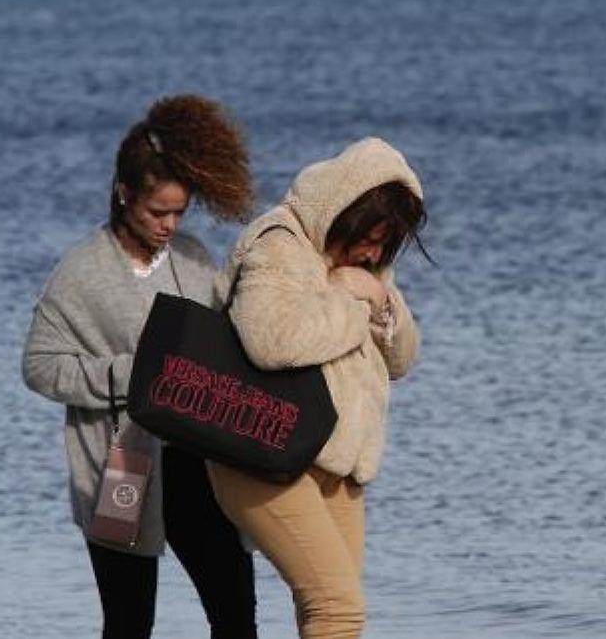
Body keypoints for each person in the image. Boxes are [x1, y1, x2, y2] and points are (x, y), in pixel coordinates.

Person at [23, 94, 260, 639]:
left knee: (236, 616)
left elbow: (228, 338)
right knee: (129, 624)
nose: (170, 225)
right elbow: (39, 365)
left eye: (180, 211)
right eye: (159, 212)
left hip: (200, 463)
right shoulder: (79, 274)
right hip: (121, 467)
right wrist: (132, 373)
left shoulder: (196, 257)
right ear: (124, 194)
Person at [207, 137, 427, 639]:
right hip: (265, 455)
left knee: (333, 612)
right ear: (343, 211)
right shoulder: (278, 245)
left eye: (386, 244)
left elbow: (403, 359)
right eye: (370, 237)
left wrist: (382, 306)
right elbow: (272, 342)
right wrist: (349, 301)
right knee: (337, 607)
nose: (375, 251)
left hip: (338, 464)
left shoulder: (366, 268)